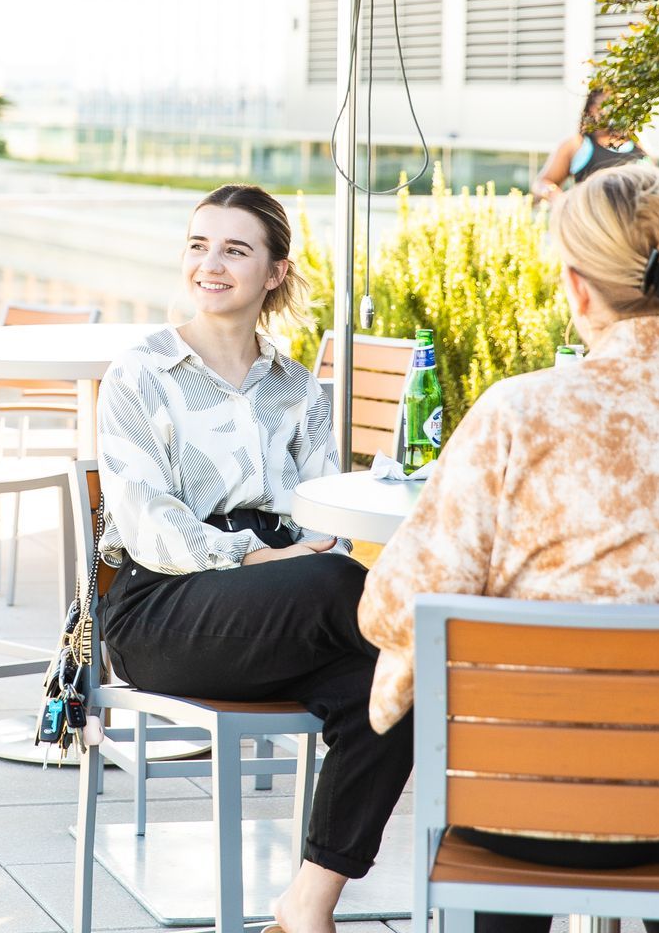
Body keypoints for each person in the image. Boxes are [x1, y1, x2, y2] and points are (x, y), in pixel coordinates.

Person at [359, 163, 659, 933]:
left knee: (504, 793)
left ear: (576, 289)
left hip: (520, 796)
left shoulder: (516, 411)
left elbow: (395, 607)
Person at [95, 182, 406, 933]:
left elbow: (321, 509)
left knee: (389, 695)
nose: (212, 263)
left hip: (284, 602)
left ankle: (307, 905)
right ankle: (444, 644)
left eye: (236, 249)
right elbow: (147, 519)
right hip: (164, 609)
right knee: (364, 603)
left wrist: (294, 557)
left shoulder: (298, 387)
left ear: (274, 272)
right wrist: (251, 558)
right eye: (199, 245)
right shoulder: (140, 373)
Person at [529, 86, 646, 203]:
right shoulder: (577, 144)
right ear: (591, 108)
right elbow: (541, 183)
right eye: (606, 105)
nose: (612, 111)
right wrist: (557, 197)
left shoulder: (637, 142)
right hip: (593, 218)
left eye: (619, 105)